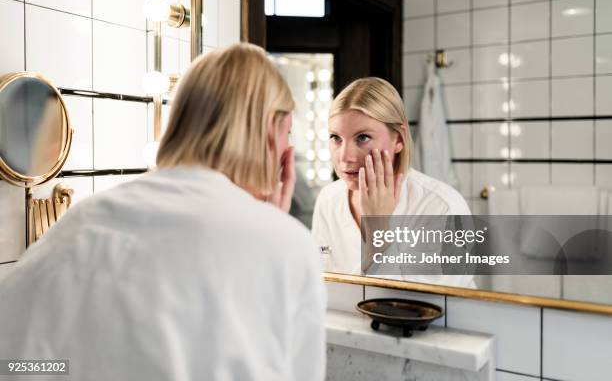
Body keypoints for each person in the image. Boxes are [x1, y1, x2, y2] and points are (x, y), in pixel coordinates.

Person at [0, 43, 326, 381]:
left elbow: (14, 362)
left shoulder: (82, 220)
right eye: (289, 135)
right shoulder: (286, 247)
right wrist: (269, 227)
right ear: (274, 130)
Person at [311, 77, 475, 288]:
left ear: (399, 139)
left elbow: (413, 308)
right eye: (336, 138)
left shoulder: (441, 207)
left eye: (362, 138)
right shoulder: (328, 199)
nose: (345, 157)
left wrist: (378, 228)